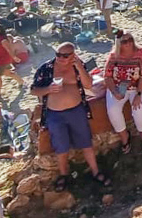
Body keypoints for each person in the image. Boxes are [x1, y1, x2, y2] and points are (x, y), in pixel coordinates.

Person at [29, 42, 110, 191]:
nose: (60, 58)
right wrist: (48, 89)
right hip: (55, 113)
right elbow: (33, 90)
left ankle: (95, 171)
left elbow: (88, 85)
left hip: (76, 110)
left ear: (73, 55)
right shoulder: (46, 68)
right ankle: (64, 175)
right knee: (61, 146)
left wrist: (79, 66)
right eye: (58, 54)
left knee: (86, 142)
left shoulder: (77, 66)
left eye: (65, 55)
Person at [104, 30, 142, 154]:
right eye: (124, 41)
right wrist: (114, 92)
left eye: (130, 40)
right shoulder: (113, 56)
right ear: (119, 43)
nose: (128, 43)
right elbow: (107, 76)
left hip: (139, 85)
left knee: (138, 108)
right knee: (112, 109)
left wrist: (138, 94)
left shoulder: (141, 53)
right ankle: (124, 137)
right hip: (121, 85)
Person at [0, 24, 25, 98]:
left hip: (2, 60)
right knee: (8, 73)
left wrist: (14, 57)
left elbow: (9, 49)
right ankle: (20, 81)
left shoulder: (3, 40)